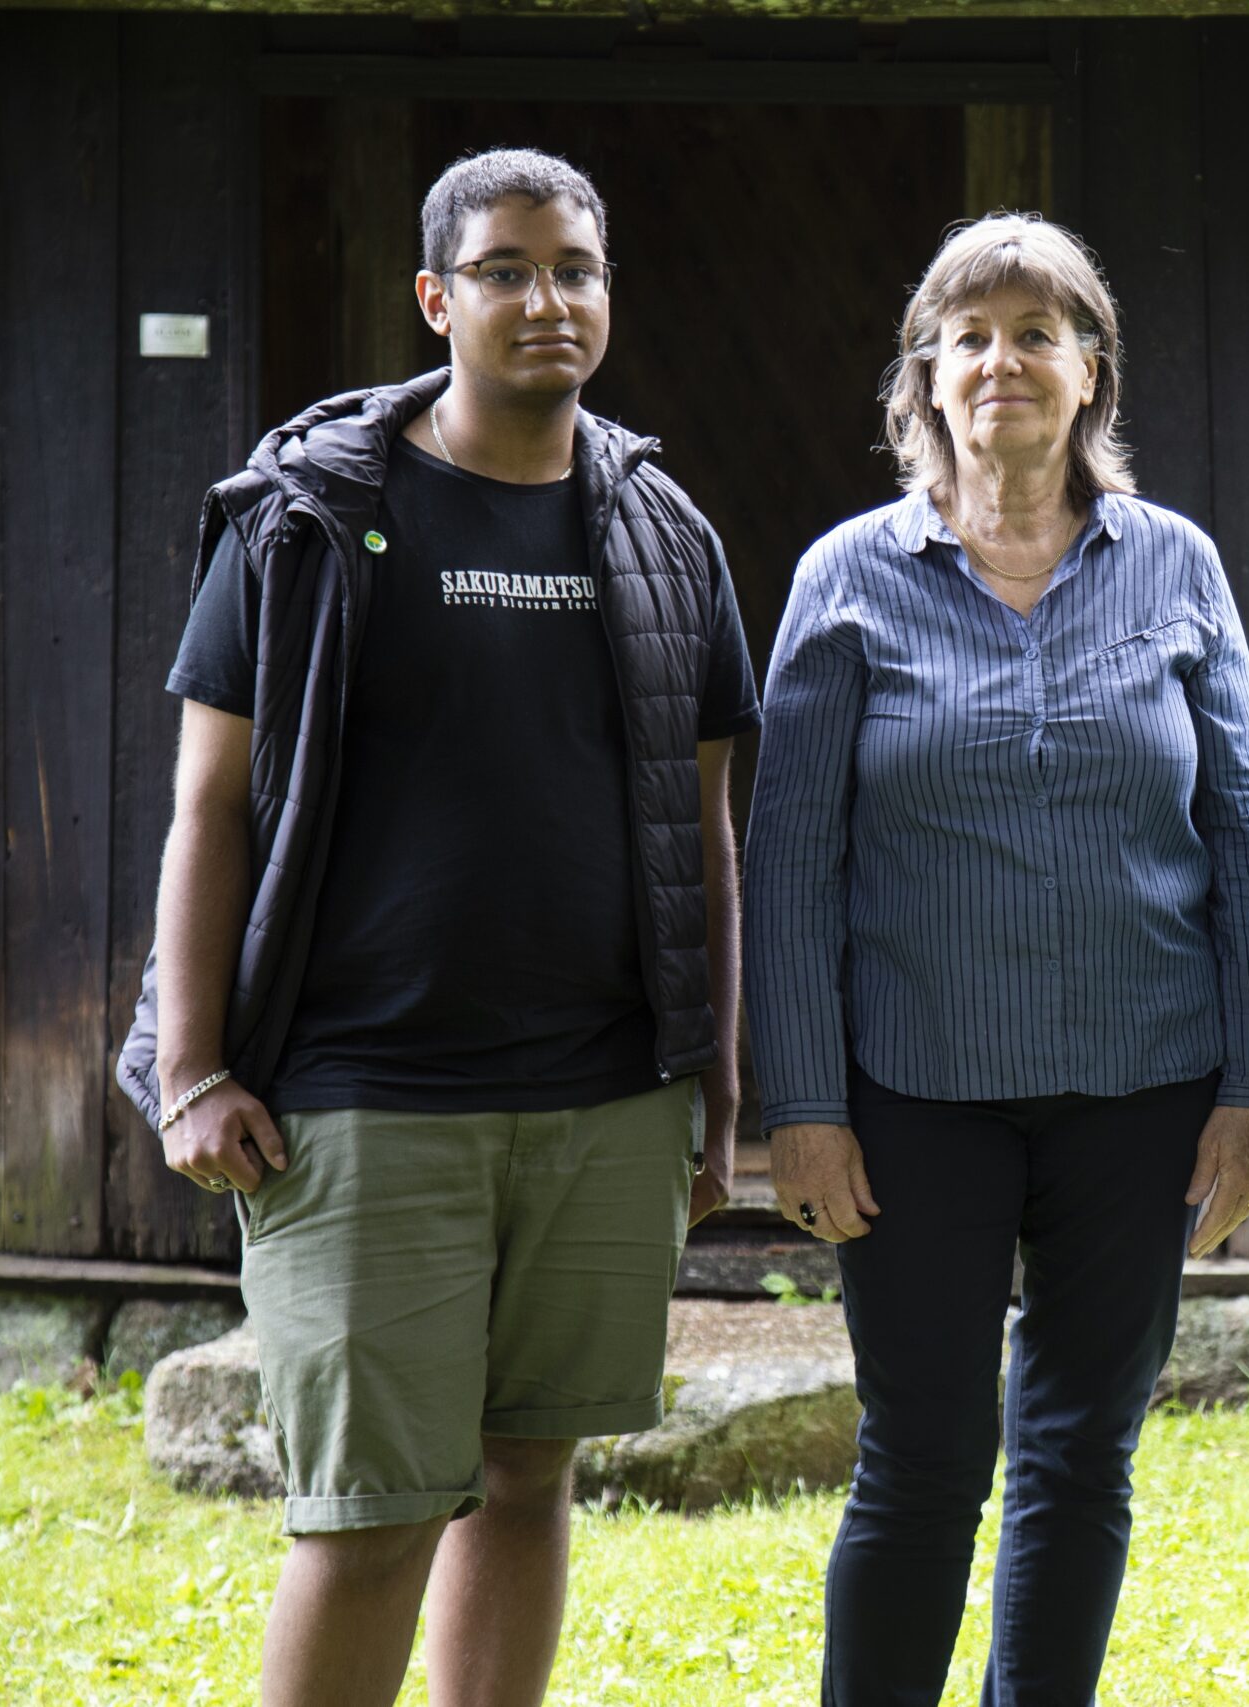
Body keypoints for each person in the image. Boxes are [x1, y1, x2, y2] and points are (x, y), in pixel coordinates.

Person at [115, 148, 758, 1707]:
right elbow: (212, 808)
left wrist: (716, 1090)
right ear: (437, 296)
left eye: (578, 269)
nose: (549, 300)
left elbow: (708, 832)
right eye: (508, 270)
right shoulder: (307, 517)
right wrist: (192, 1069)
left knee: (529, 1477)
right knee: (372, 1512)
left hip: (604, 1096)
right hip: (362, 1099)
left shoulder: (667, 534)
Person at [743, 213, 1249, 1707]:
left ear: (1090, 369)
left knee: (1078, 1457)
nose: (1002, 361)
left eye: (1035, 332)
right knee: (921, 1456)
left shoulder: (1174, 563)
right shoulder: (851, 575)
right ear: (924, 374)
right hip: (915, 1089)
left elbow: (1248, 830)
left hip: (1145, 1092)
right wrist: (800, 1097)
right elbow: (790, 858)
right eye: (969, 335)